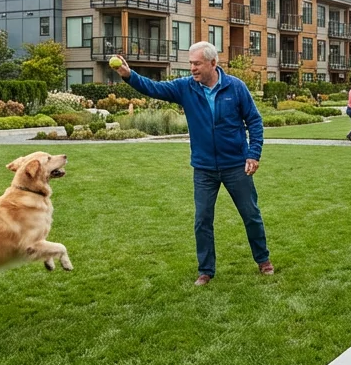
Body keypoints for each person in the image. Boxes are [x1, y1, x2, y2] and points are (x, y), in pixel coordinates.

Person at [116, 41, 271, 285]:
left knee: (251, 214)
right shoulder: (185, 88)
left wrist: (253, 153)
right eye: (190, 64)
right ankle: (206, 270)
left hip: (235, 166)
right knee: (202, 220)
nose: (192, 68)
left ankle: (263, 261)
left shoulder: (236, 87)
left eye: (197, 63)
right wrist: (129, 76)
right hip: (204, 168)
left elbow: (254, 121)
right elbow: (154, 88)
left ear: (212, 63)